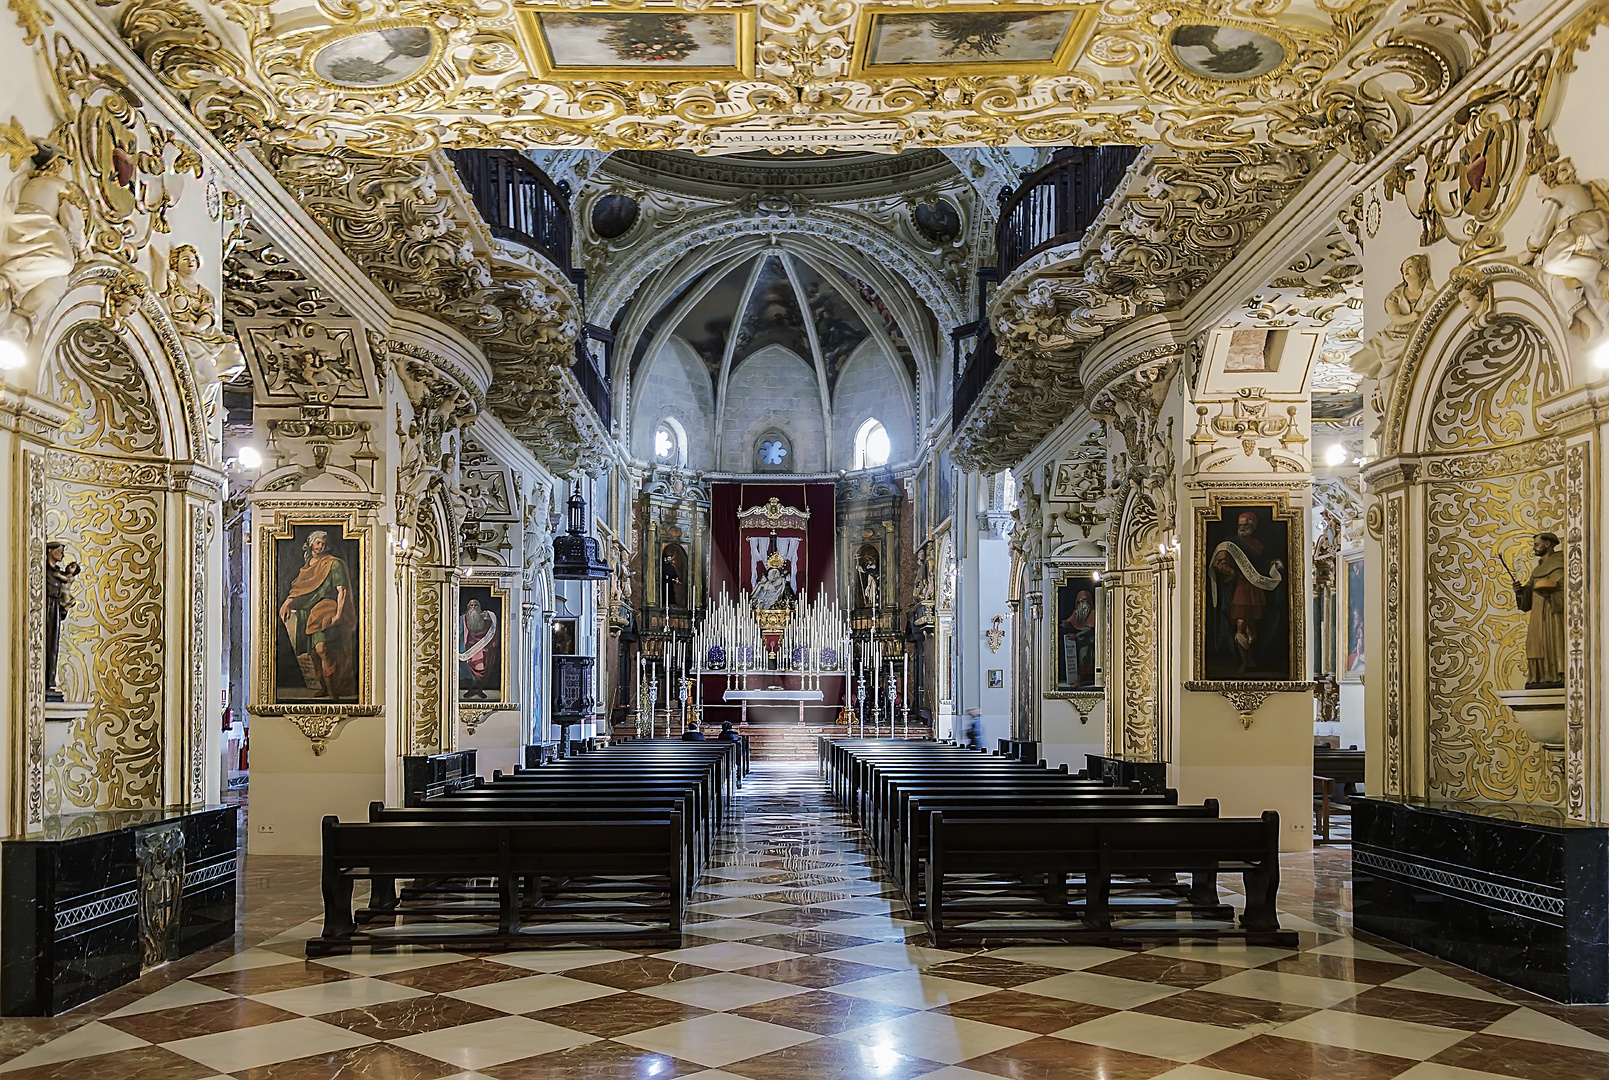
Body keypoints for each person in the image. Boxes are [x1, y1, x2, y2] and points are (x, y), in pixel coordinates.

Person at [278, 529, 357, 700]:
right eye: (318, 543)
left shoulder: (333, 564)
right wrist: (287, 602)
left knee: (322, 649)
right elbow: (300, 590)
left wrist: (338, 614)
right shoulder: (307, 566)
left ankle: (332, 691)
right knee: (312, 653)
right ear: (311, 544)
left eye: (324, 544)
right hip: (307, 613)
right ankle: (322, 687)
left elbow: (341, 590)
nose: (321, 547)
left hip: (325, 611)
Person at [1208, 510, 1286, 676]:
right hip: (1239, 589)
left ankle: (1250, 659)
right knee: (1241, 624)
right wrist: (1231, 572)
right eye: (1240, 525)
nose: (1242, 528)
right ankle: (1243, 662)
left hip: (1255, 589)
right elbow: (1218, 562)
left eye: (1246, 525)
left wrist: (1274, 563)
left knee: (1252, 628)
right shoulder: (1230, 544)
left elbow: (1262, 564)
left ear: (1253, 527)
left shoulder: (1258, 545)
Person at [1514, 531, 1566, 688]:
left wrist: (1551, 593)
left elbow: (1565, 589)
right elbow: (1529, 592)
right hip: (1537, 614)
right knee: (1535, 643)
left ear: (1548, 544)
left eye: (1537, 544)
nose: (1534, 548)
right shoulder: (1538, 569)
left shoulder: (1559, 563)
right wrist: (1520, 591)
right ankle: (1539, 676)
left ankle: (1555, 675)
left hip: (1551, 613)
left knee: (1551, 641)